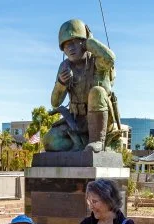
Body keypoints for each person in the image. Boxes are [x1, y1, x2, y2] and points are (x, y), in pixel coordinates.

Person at [43, 19, 119, 153]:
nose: (70, 48)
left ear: (83, 42)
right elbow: (55, 102)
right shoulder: (65, 67)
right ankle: (81, 143)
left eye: (73, 43)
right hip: (77, 121)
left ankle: (97, 141)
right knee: (50, 141)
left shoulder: (96, 60)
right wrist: (61, 83)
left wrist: (90, 42)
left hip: (100, 122)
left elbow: (110, 58)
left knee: (97, 91)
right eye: (66, 46)